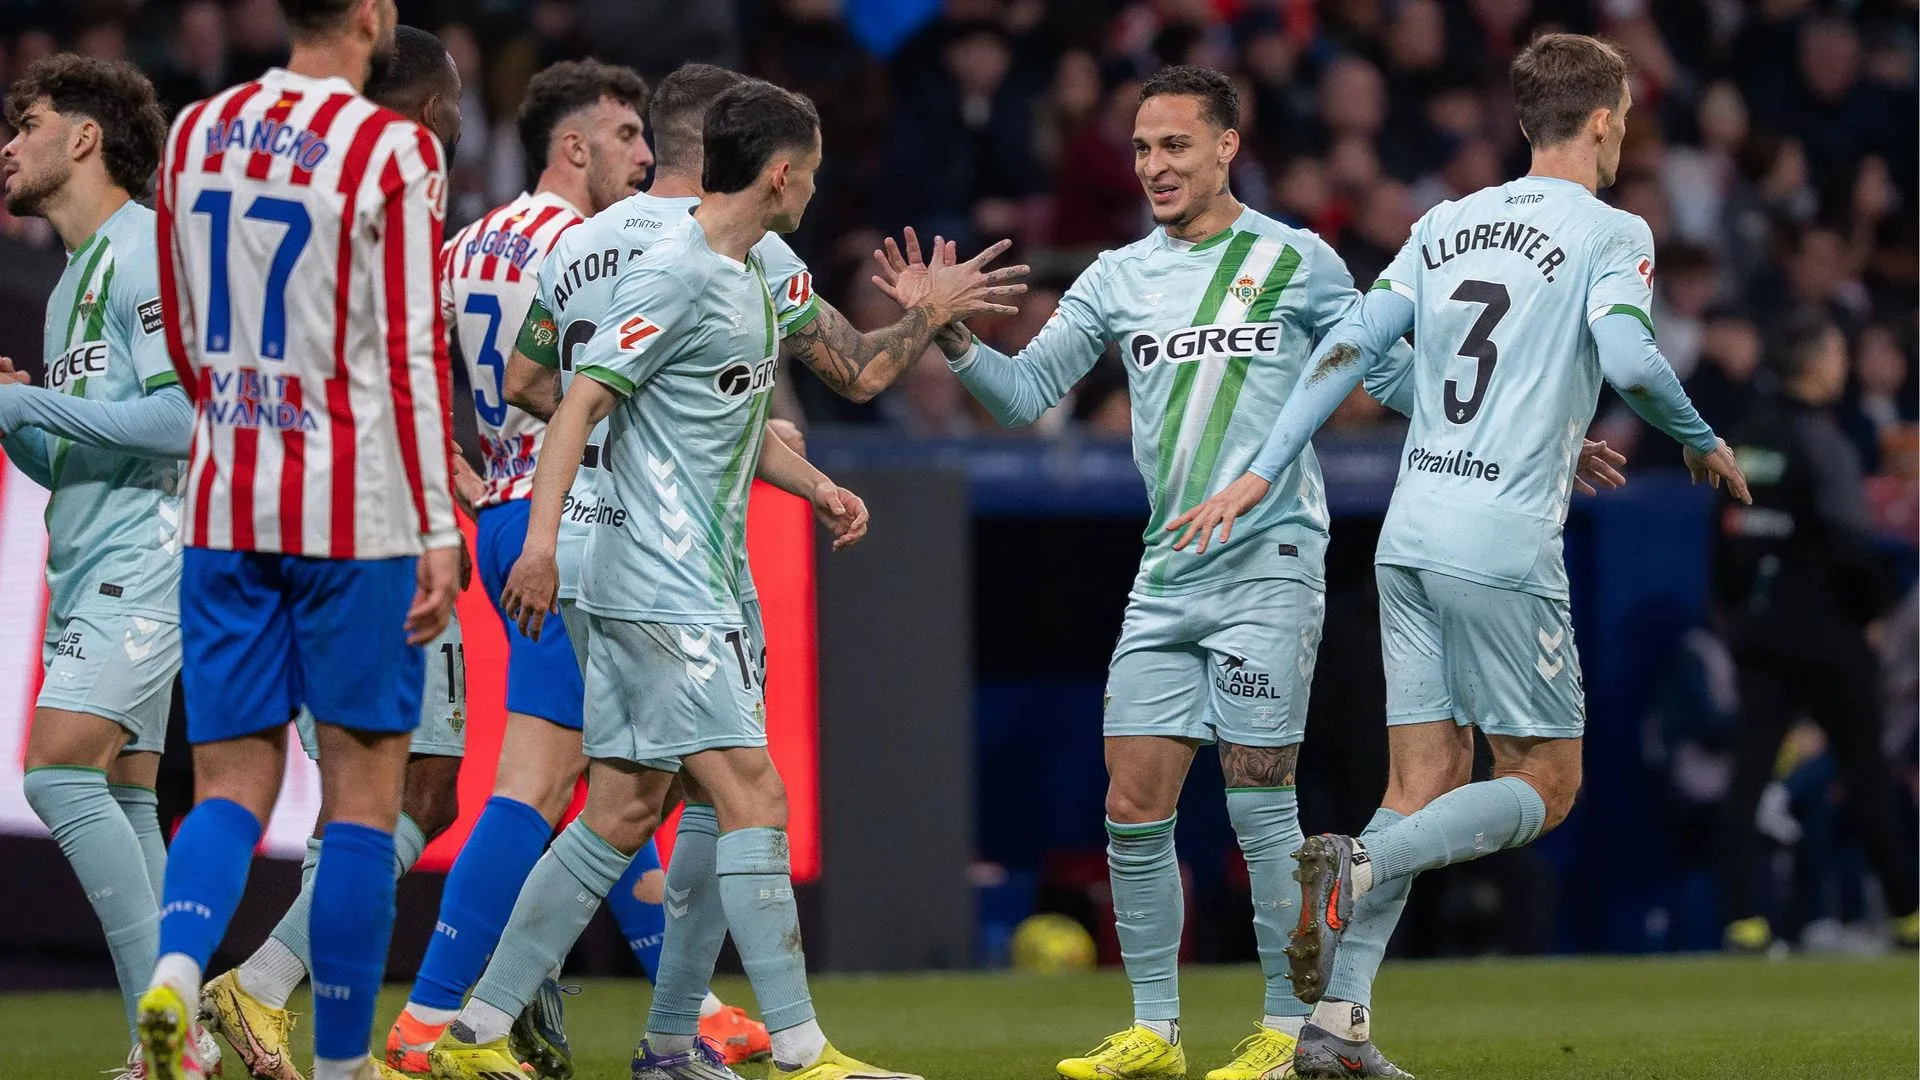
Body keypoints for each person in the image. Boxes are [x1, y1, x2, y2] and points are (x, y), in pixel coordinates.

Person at [398, 60, 1025, 1077]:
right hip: (660, 568)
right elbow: (848, 371)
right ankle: (799, 1049)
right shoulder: (708, 268)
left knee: (623, 809)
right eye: (810, 172)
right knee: (750, 795)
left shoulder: (588, 245)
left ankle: (498, 1032)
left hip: (614, 549)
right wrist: (932, 313)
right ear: (773, 171)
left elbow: (529, 382)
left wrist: (806, 481)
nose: (637, 153)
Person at [1170, 34, 1747, 1077]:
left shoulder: (1446, 222)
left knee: (1423, 779)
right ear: (1607, 119)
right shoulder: (1613, 229)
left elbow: (1350, 344)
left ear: (1527, 121)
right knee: (1549, 782)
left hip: (1410, 531)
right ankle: (1359, 863)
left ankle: (1337, 1026)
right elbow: (1625, 353)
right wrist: (1699, 437)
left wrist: (1262, 468)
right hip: (1500, 543)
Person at [894, 64, 1431, 1080]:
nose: (1154, 166)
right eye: (1141, 148)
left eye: (1176, 145)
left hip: (1272, 560)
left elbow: (1395, 376)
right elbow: (1022, 397)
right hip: (1168, 570)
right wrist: (948, 329)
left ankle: (1284, 1029)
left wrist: (1507, 426)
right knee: (1133, 799)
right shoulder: (1116, 276)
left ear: (1229, 145)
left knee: (1257, 795)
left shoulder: (1297, 261)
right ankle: (1156, 1033)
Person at [139, 1, 462, 1078]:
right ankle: (338, 1066)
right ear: (371, 17)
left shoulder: (194, 131)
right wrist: (434, 528)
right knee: (364, 803)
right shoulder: (394, 147)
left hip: (224, 505)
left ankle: (180, 969)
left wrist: (240, 421)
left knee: (230, 785)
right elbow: (414, 354)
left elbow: (185, 334)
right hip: (354, 511)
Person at [380, 55, 692, 1077]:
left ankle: (685, 1011)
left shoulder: (462, 243)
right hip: (573, 520)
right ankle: (427, 1022)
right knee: (539, 778)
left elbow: (413, 377)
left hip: (507, 513)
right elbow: (600, 392)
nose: (645, 158)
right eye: (627, 137)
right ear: (574, 146)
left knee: (621, 781)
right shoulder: (595, 247)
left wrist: (456, 475)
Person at [0, 52, 211, 1080]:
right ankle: (173, 1042)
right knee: (127, 798)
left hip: (154, 552)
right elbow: (77, 452)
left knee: (53, 768)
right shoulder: (71, 281)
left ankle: (179, 1038)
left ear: (83, 137)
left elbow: (181, 420)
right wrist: (20, 425)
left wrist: (29, 404)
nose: (8, 145)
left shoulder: (145, 252)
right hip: (91, 556)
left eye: (25, 122)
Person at [1713, 312, 1919, 952]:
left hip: (1762, 633)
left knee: (1748, 777)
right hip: (1828, 633)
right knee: (1865, 774)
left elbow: (1723, 544)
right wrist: (1875, 614)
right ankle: (1909, 914)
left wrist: (1736, 614)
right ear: (1812, 362)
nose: (1843, 365)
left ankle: (1745, 920)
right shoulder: (1824, 442)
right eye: (1834, 353)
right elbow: (1851, 540)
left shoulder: (1743, 439)